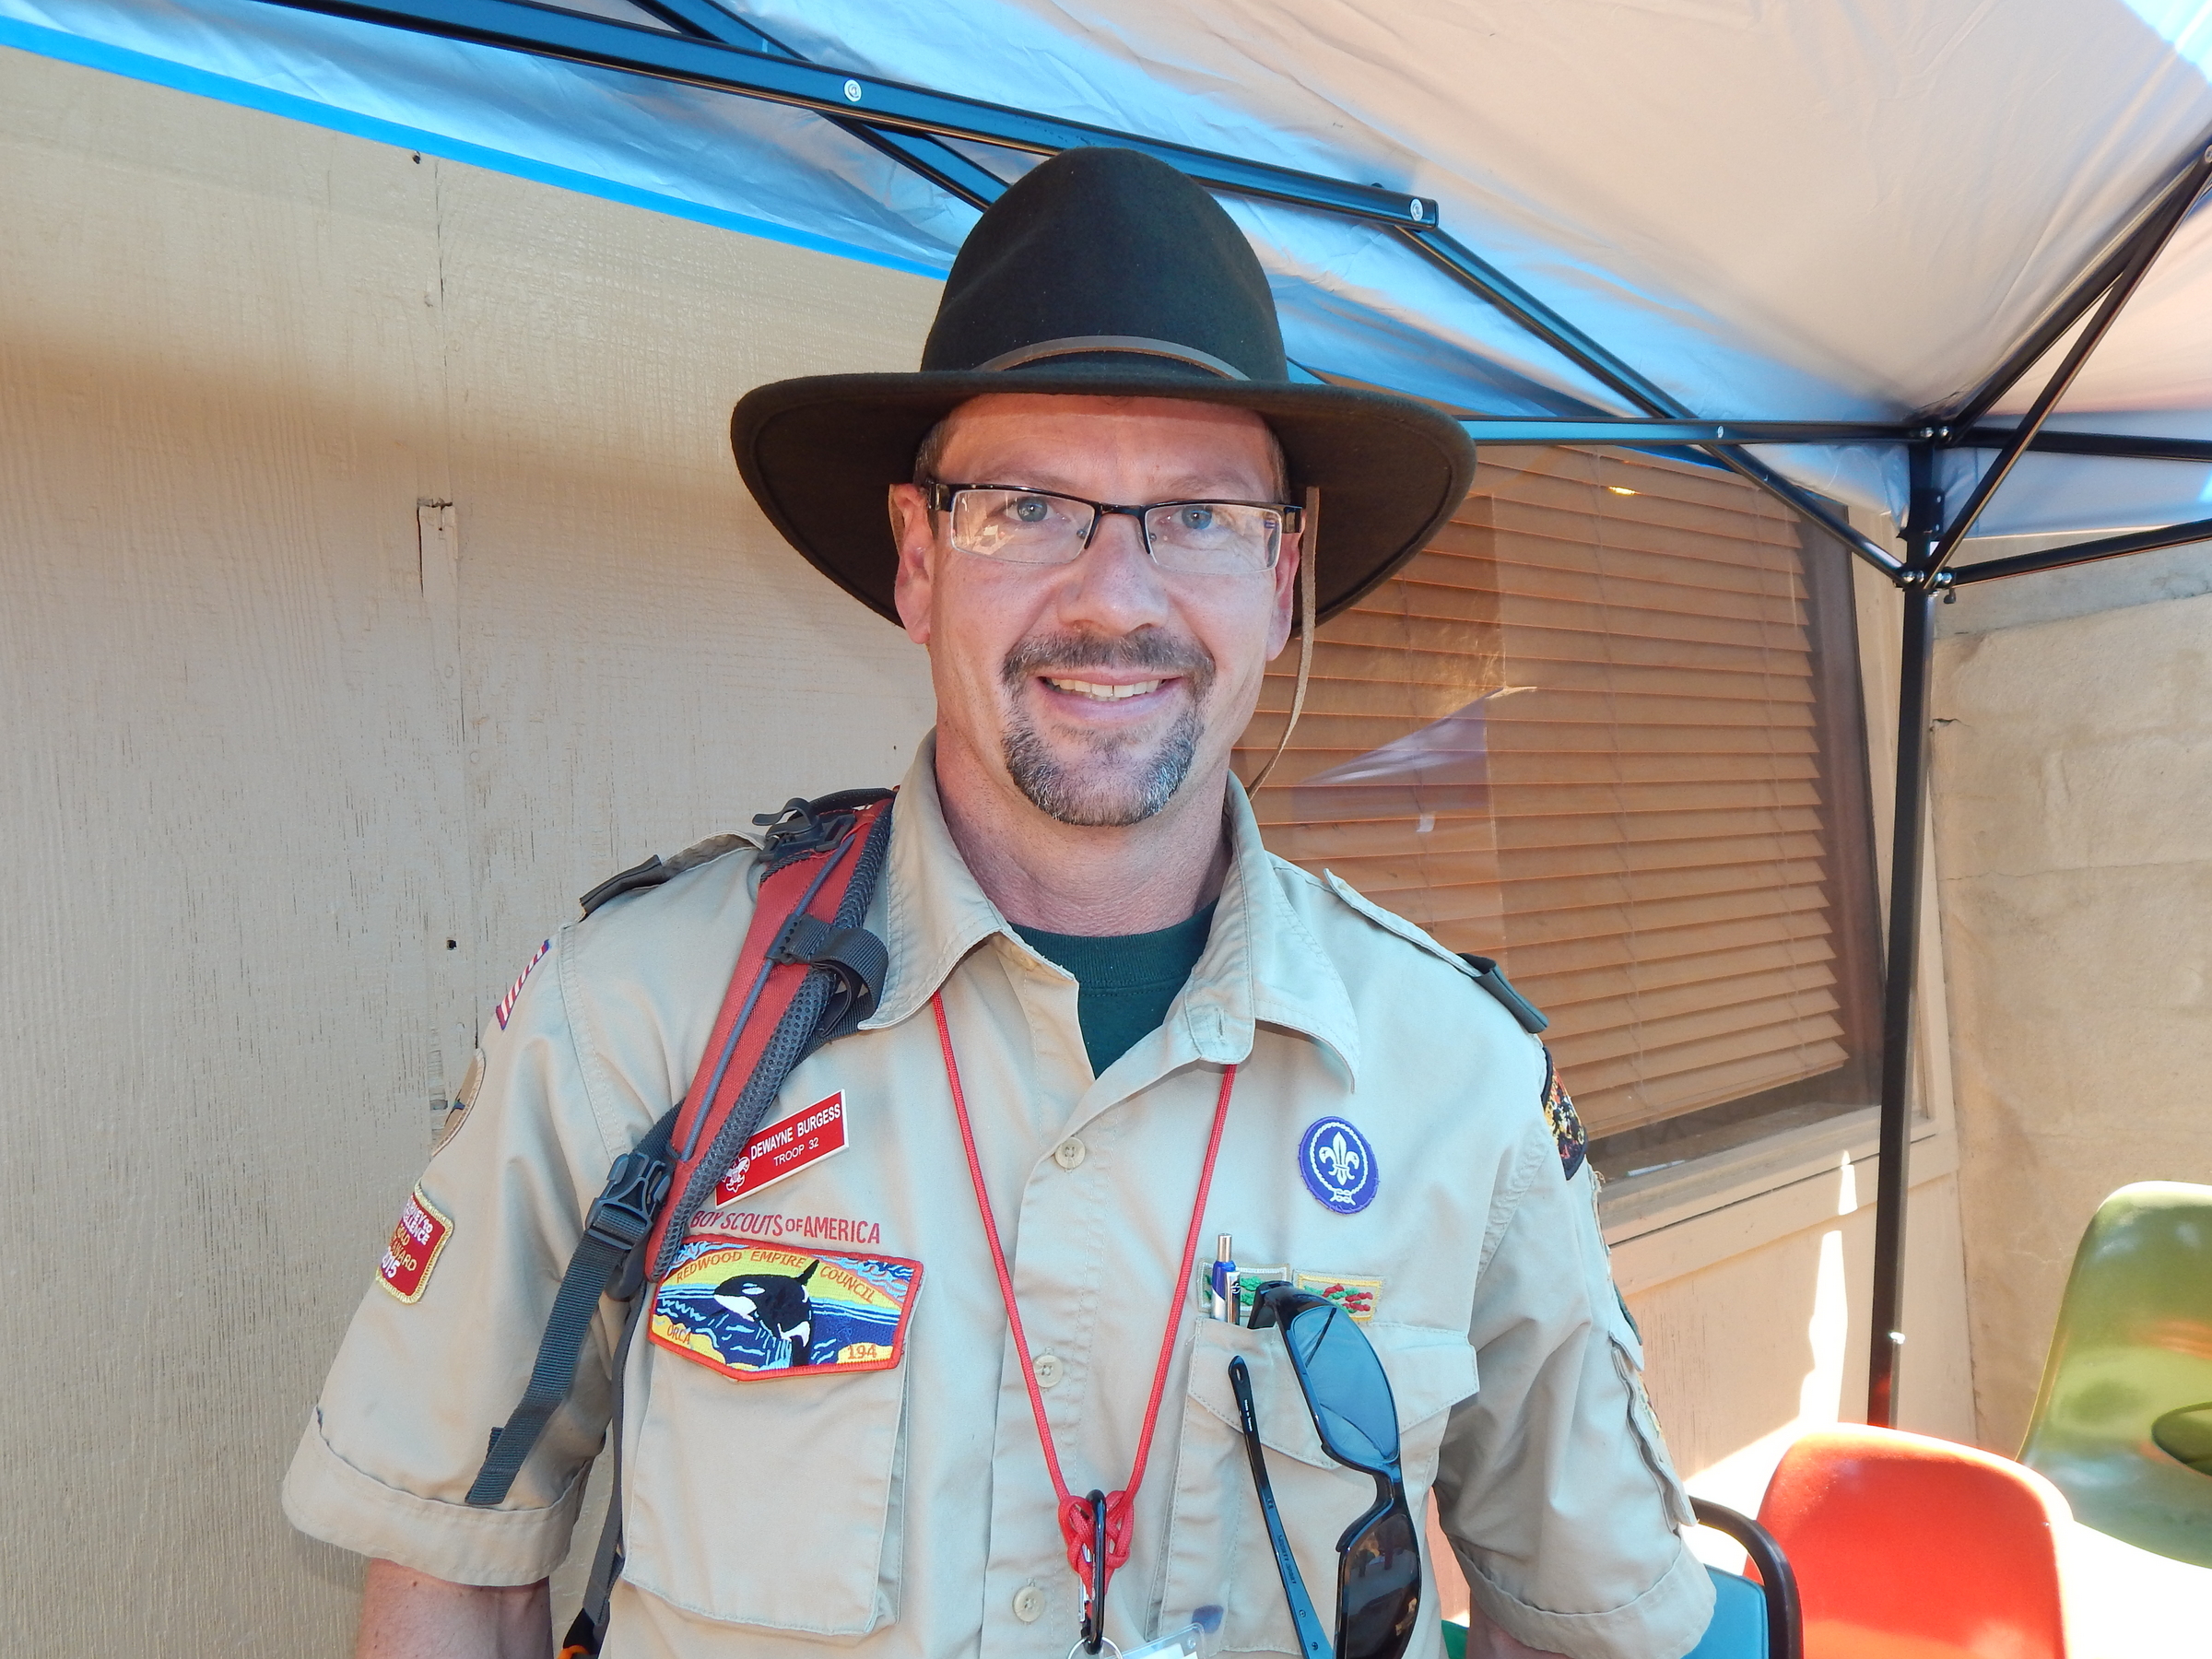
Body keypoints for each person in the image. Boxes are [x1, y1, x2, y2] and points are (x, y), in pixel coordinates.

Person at [285, 147, 1714, 1659]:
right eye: (1026, 507)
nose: (1115, 598)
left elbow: (1587, 1623)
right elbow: (455, 1574)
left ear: (1284, 578)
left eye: (1200, 515)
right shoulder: (638, 1016)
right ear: (917, 561)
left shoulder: (1459, 1078)